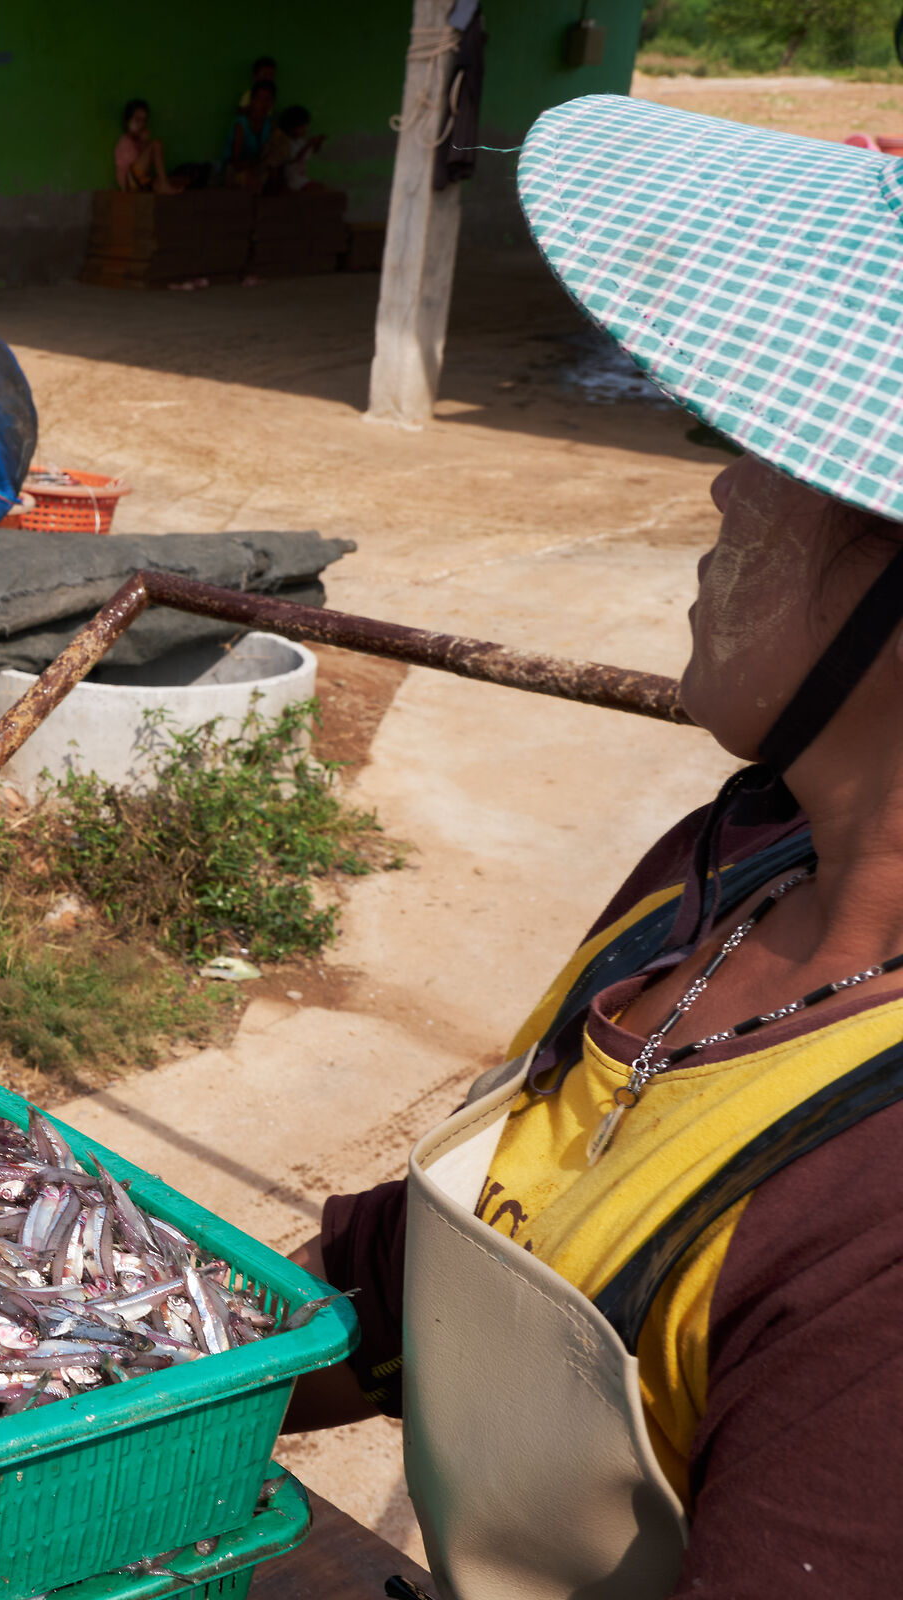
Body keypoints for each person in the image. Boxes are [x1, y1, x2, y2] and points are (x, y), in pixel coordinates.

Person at [285, 95, 903, 1597]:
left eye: (780, 449)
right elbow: (398, 1291)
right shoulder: (726, 868)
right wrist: (66, 1377)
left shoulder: (872, 1224)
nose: (724, 480)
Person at [114, 100, 183, 194]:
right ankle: (164, 184)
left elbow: (144, 171)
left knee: (175, 180)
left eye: (144, 121)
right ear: (128, 121)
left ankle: (163, 184)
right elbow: (137, 168)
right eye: (137, 120)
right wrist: (144, 143)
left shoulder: (138, 141)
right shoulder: (125, 142)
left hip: (139, 181)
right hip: (129, 182)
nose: (141, 125)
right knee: (156, 144)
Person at [222, 81, 276, 189]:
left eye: (268, 99)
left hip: (256, 169)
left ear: (272, 103)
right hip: (235, 171)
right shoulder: (241, 125)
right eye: (259, 99)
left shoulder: (268, 125)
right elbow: (235, 162)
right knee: (248, 179)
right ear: (252, 101)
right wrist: (252, 165)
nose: (263, 104)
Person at [258, 104, 322, 196]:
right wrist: (308, 145)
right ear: (291, 126)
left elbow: (311, 153)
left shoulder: (300, 141)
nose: (305, 130)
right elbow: (292, 160)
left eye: (305, 126)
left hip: (301, 177)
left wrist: (317, 143)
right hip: (291, 179)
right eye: (301, 127)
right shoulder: (284, 142)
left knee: (318, 189)